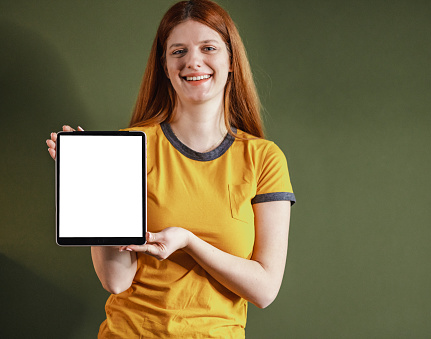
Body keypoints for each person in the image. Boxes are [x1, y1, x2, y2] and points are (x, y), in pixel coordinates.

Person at [46, 0, 295, 337]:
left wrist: (189, 242)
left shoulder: (264, 158)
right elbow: (116, 281)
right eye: (178, 51)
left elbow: (265, 289)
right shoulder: (129, 147)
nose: (193, 61)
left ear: (231, 60)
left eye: (208, 47)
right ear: (164, 64)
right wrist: (94, 181)